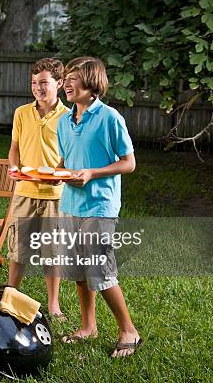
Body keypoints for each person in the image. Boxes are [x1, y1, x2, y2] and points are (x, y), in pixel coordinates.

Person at [56, 56, 141, 357]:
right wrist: (48, 174)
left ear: (92, 84)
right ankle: (88, 326)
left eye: (74, 77)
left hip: (100, 206)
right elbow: (65, 163)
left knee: (99, 269)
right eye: (66, 77)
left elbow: (128, 163)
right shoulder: (64, 122)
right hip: (71, 204)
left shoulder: (110, 118)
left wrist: (93, 173)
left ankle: (128, 330)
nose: (67, 82)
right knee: (79, 270)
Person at [7, 58, 69, 321]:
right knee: (17, 249)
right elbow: (15, 148)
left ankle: (53, 304)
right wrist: (12, 167)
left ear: (60, 83)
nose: (37, 88)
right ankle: (10, 294)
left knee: (52, 251)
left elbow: (70, 155)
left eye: (43, 82)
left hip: (56, 195)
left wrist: (59, 171)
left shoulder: (68, 117)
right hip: (25, 190)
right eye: (34, 83)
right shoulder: (21, 113)